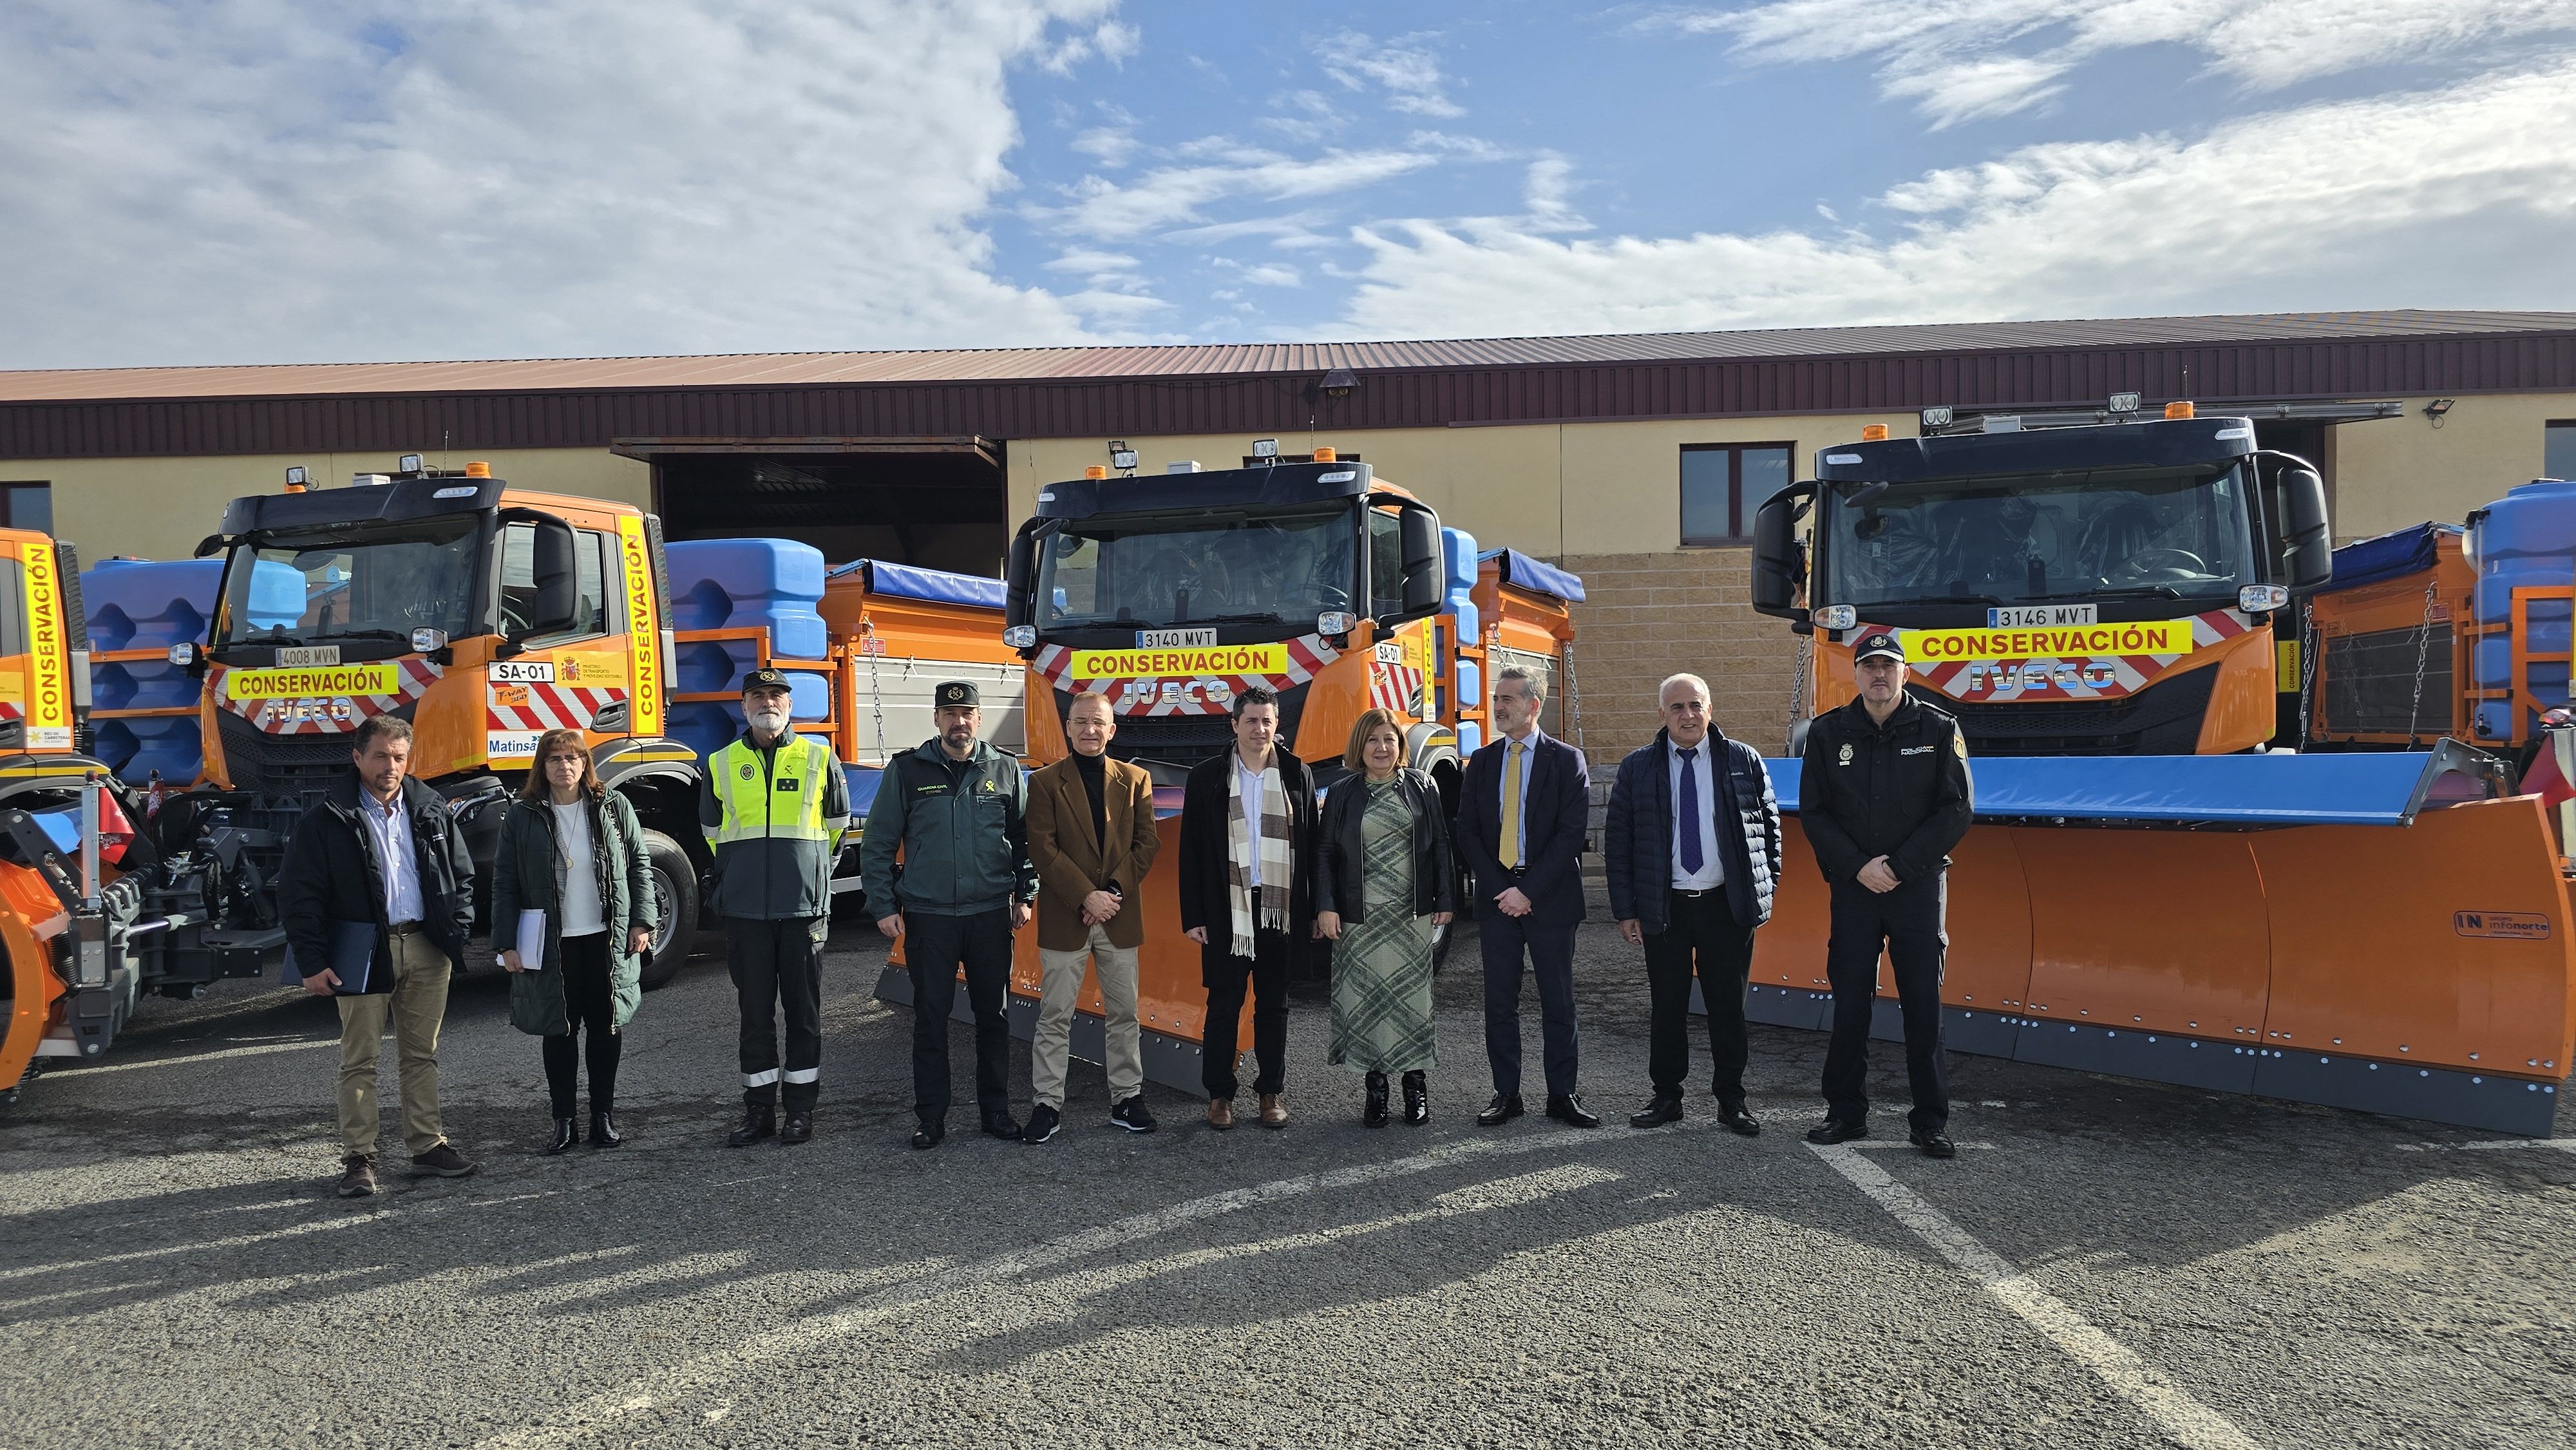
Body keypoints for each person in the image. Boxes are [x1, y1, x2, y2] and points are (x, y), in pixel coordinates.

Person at [276, 714, 478, 1198]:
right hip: (363, 950)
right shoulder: (328, 817)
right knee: (360, 1058)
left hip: (427, 948)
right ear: (358, 758)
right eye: (382, 755)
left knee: (421, 1055)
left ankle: (428, 1147)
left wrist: (458, 928)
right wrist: (312, 960)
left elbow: (461, 874)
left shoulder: (429, 806)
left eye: (400, 756)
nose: (392, 765)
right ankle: (359, 1159)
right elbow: (298, 894)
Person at [1798, 632, 1973, 1159]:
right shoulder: (1829, 733)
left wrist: (1898, 867)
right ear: (1856, 674)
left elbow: (1956, 809)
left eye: (1888, 666)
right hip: (1855, 891)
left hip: (1916, 890)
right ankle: (1846, 1113)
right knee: (1851, 1001)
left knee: (1923, 1005)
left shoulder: (1939, 729)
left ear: (1906, 673)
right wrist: (1858, 868)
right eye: (1869, 666)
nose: (1879, 675)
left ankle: (1929, 1121)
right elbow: (1816, 812)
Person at [861, 679, 1036, 1149]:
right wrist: (882, 906)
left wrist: (1025, 894)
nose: (959, 723)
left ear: (979, 719)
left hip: (989, 915)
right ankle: (931, 1117)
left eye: (967, 714)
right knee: (931, 1017)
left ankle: (995, 1111)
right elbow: (878, 843)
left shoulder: (1004, 768)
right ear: (937, 719)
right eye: (949, 714)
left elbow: (1024, 839)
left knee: (993, 1017)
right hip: (929, 916)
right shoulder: (908, 771)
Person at [1605, 674, 1781, 1135]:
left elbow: (1769, 830)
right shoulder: (1638, 768)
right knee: (1667, 1007)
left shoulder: (1742, 760)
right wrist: (1627, 909)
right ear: (1661, 714)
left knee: (1728, 1008)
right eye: (1678, 707)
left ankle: (1732, 1100)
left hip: (1726, 907)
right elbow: (1619, 842)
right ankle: (1667, 1097)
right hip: (1665, 908)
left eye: (1696, 705)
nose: (1688, 715)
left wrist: (1764, 891)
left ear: (1710, 708)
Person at [702, 667, 851, 1149]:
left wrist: (807, 873)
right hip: (746, 911)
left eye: (777, 695)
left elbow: (836, 826)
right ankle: (758, 1112)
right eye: (758, 695)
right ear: (744, 705)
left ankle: (801, 1112)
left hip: (802, 908)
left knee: (803, 1014)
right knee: (754, 1015)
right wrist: (741, 876)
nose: (768, 703)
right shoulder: (720, 762)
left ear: (790, 705)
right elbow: (711, 833)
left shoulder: (818, 757)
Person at [491, 729, 658, 1154]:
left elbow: (640, 866)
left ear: (585, 764)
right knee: (559, 1030)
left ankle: (603, 1117)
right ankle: (563, 1121)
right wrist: (506, 942)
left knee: (606, 1026)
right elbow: (505, 882)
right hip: (551, 942)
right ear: (541, 768)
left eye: (572, 758)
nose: (564, 766)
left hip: (605, 939)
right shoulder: (523, 815)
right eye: (554, 759)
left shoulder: (613, 808)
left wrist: (642, 920)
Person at [1452, 664, 1598, 1129]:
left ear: (1534, 705)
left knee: (1558, 1002)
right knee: (1500, 1003)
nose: (1499, 706)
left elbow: (1571, 834)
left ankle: (1562, 1096)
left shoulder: (1567, 760)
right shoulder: (1483, 760)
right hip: (1499, 901)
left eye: (1509, 699)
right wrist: (1503, 891)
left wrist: (1528, 891)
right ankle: (1506, 1095)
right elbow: (1467, 832)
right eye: (1497, 698)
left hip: (1550, 899)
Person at [1177, 685, 1318, 1131]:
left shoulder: (1297, 774)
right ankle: (1219, 1096)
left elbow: (1312, 848)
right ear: (1234, 724)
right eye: (1251, 720)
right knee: (1224, 1003)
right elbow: (1192, 852)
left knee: (1274, 1005)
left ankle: (1270, 1092)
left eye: (1267, 721)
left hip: (1279, 908)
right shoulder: (1206, 777)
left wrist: (1313, 910)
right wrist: (1193, 915)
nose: (1260, 729)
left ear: (1277, 726)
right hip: (1226, 909)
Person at [1023, 691, 1161, 1143]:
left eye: (1098, 723)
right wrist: (1088, 896)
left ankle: (1126, 1098)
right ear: (1067, 727)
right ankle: (1047, 1104)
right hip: (1068, 916)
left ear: (1112, 729)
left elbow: (1147, 845)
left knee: (1124, 1013)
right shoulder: (1044, 782)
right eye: (1081, 722)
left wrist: (1113, 892)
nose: (1089, 730)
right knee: (1055, 1013)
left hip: (1119, 915)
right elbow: (1042, 849)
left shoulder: (1136, 779)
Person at [1315, 708, 1455, 1127]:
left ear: (1401, 747)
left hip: (1410, 916)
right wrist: (1326, 904)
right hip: (1359, 919)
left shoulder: (1423, 786)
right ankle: (1375, 1091)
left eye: (1389, 740)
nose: (1381, 747)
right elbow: (1324, 853)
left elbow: (1441, 846)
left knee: (1412, 1005)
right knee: (1368, 1005)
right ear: (1360, 746)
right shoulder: (1342, 793)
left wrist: (1446, 897)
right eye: (1373, 740)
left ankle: (1415, 1088)